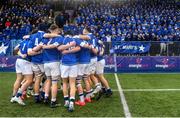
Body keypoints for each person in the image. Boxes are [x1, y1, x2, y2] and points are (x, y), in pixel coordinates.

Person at [10, 35, 33, 105]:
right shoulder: (30, 42)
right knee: (29, 80)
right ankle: (18, 96)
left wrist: (21, 54)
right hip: (25, 61)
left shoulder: (22, 42)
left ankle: (13, 96)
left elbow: (15, 49)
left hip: (19, 60)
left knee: (18, 79)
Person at [27, 25, 46, 103]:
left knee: (37, 79)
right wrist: (40, 51)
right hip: (43, 61)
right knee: (47, 78)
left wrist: (36, 52)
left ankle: (36, 96)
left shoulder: (32, 37)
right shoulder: (44, 36)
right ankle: (44, 94)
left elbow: (29, 52)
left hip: (34, 61)